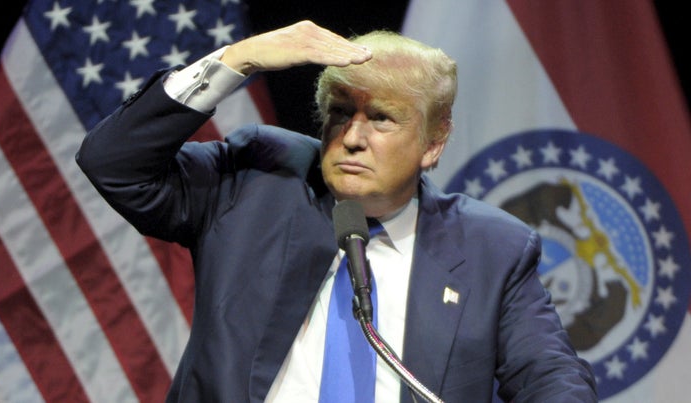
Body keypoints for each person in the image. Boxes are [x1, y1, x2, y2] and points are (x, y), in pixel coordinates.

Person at [76, 20, 596, 403]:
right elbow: (114, 164)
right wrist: (240, 58)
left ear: (433, 145)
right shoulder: (259, 179)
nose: (352, 138)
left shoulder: (492, 248)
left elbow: (550, 378)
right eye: (341, 113)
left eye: (382, 119)